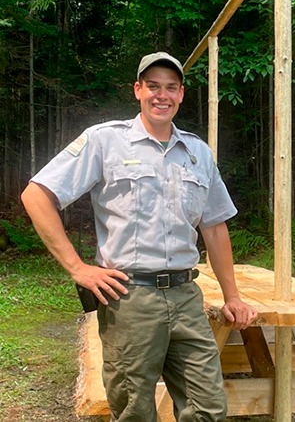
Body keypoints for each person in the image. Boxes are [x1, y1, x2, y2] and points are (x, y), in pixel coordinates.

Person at [21, 52, 258, 422]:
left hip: (186, 296)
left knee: (208, 408)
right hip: (129, 299)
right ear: (137, 90)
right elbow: (37, 195)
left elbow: (214, 225)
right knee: (134, 410)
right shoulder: (104, 141)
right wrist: (78, 268)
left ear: (181, 94)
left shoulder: (197, 152)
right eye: (152, 86)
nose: (161, 95)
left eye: (170, 88)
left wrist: (232, 296)